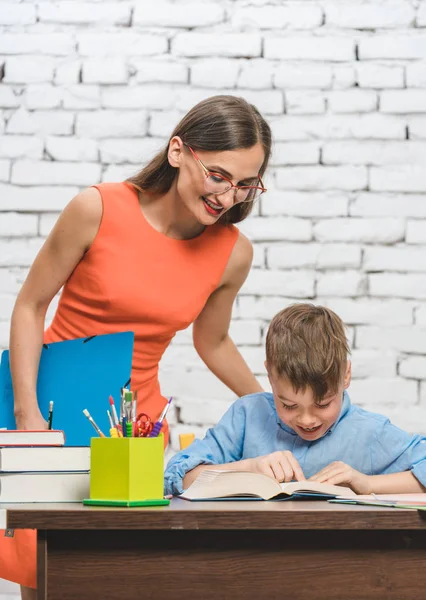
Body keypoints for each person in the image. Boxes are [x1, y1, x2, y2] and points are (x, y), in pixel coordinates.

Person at [3, 95, 272, 599]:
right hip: (54, 414)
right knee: (45, 577)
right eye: (217, 175)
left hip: (137, 427)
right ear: (178, 151)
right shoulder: (97, 208)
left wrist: (268, 410)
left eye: (245, 184)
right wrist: (28, 416)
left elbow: (211, 341)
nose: (228, 196)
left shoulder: (233, 252)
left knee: (124, 574)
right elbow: (30, 306)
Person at [165, 303, 426, 496]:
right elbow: (176, 476)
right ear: (269, 374)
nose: (307, 419)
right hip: (246, 557)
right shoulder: (248, 415)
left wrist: (369, 484)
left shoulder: (370, 432)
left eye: (323, 404)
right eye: (289, 405)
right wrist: (249, 468)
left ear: (345, 375)